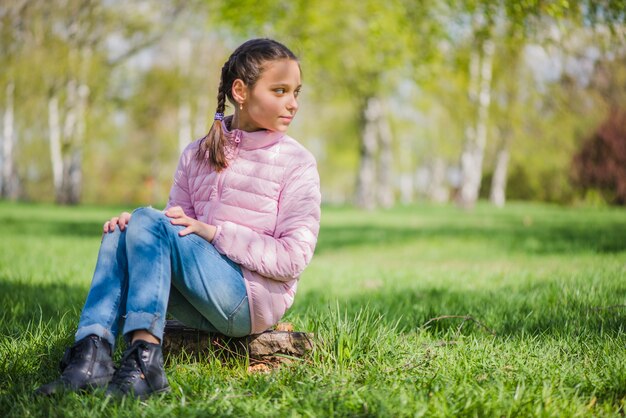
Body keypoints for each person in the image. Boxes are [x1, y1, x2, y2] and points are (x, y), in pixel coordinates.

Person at [35, 38, 321, 399]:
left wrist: (216, 233)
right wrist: (136, 228)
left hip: (250, 300)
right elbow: (170, 227)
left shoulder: (297, 162)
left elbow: (294, 257)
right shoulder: (196, 154)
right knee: (122, 230)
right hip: (199, 298)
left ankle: (144, 364)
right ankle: (90, 357)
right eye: (280, 90)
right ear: (240, 91)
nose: (292, 103)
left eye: (296, 91)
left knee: (146, 220)